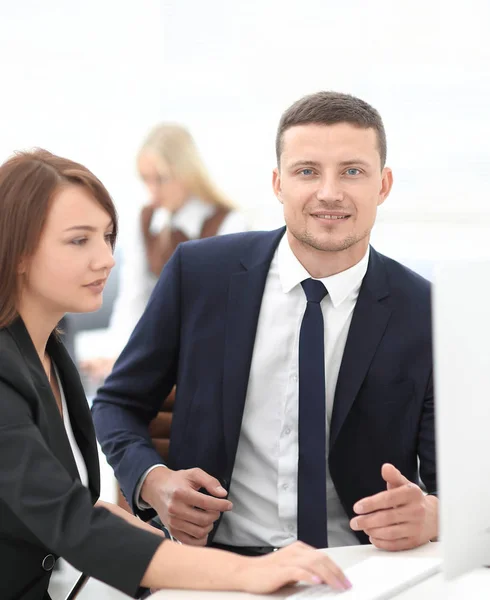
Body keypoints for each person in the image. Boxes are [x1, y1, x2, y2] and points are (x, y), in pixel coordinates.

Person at [92, 91, 438, 556]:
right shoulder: (199, 275)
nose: (329, 192)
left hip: (362, 566)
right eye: (307, 171)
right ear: (278, 183)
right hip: (219, 565)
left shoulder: (425, 309)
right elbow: (116, 403)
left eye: (352, 171)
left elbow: (456, 483)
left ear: (383, 185)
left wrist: (437, 515)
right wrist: (154, 483)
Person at [0, 149, 350, 599]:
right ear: (17, 251)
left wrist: (185, 556)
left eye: (107, 237)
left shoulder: (50, 353)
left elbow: (87, 509)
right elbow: (71, 521)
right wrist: (244, 573)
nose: (106, 259)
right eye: (78, 240)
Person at [81, 123, 248, 382]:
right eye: (146, 179)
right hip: (159, 349)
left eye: (160, 179)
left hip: (208, 358)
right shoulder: (147, 221)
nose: (152, 190)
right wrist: (117, 354)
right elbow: (134, 297)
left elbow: (225, 317)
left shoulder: (228, 224)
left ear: (186, 172)